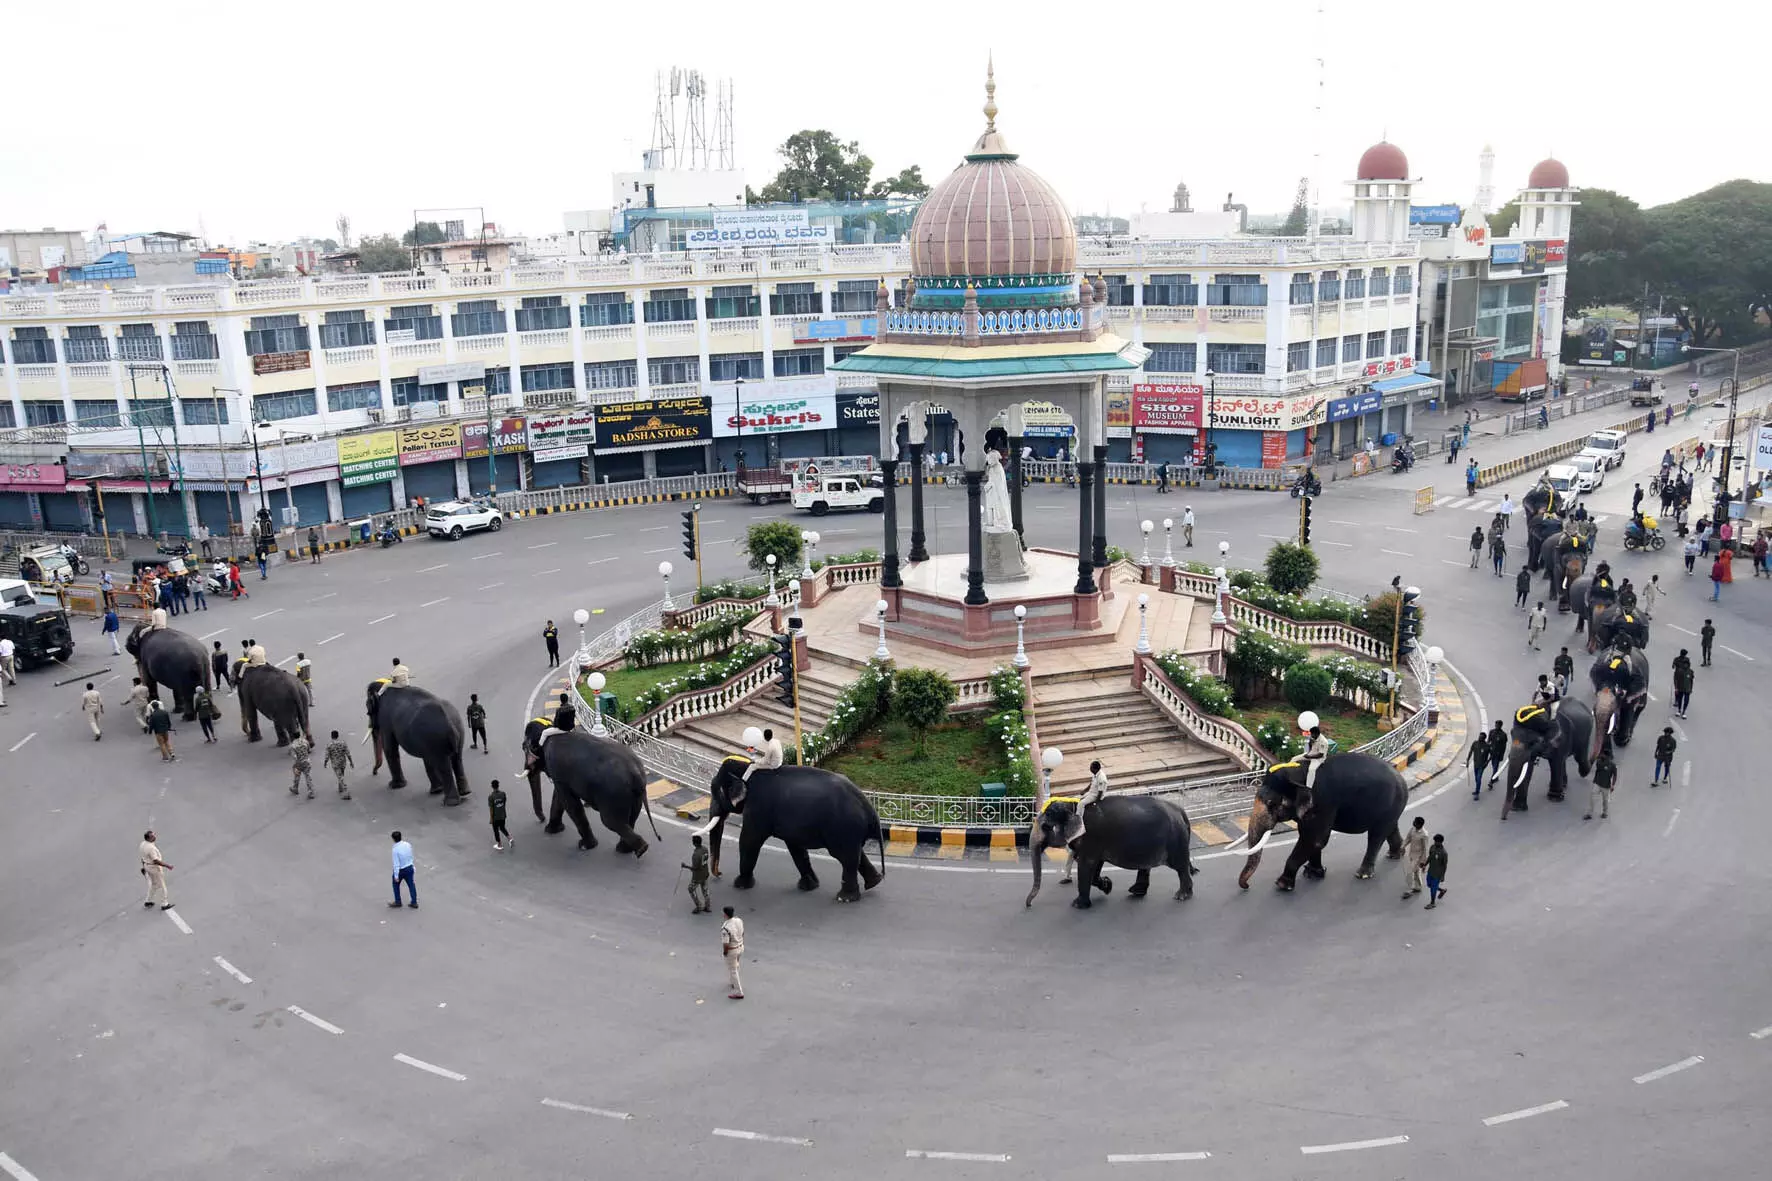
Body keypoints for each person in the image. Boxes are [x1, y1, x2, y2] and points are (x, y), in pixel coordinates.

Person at [1061, 760, 1110, 884]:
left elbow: (1099, 793)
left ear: (1095, 768)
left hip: (1095, 796)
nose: (1089, 769)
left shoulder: (1102, 778)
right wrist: (1084, 791)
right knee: (1078, 800)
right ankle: (1068, 875)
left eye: (1091, 768)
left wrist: (1096, 803)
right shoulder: (1095, 775)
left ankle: (1079, 818)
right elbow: (1090, 784)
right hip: (1091, 794)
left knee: (1082, 804)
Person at [140, 829, 174, 910]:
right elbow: (155, 860)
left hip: (147, 865)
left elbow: (143, 857)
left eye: (154, 835)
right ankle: (164, 904)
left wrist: (144, 866)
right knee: (162, 886)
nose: (154, 837)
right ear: (148, 838)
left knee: (154, 885)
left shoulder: (143, 844)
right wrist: (167, 866)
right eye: (152, 836)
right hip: (154, 868)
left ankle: (148, 901)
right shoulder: (151, 848)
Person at [720, 905, 745, 999]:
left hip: (732, 950)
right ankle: (733, 982)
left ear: (725, 915)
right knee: (736, 964)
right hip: (740, 946)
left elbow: (726, 944)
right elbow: (743, 933)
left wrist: (725, 952)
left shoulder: (725, 928)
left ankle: (739, 992)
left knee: (733, 969)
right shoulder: (739, 920)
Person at [1401, 816, 1428, 898]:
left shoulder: (1424, 835)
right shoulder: (1412, 829)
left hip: (1418, 857)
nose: (1413, 822)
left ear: (1420, 824)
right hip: (1411, 854)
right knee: (1416, 872)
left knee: (1409, 872)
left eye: (1415, 822)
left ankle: (1410, 889)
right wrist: (1402, 846)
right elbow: (1408, 838)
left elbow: (1425, 849)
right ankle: (1418, 887)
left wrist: (1423, 862)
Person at [1586, 749, 1617, 821]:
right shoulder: (1599, 762)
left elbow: (1615, 776)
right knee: (1592, 797)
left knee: (1605, 800)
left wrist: (1613, 785)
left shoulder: (1613, 765)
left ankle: (1605, 813)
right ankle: (1589, 813)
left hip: (1606, 786)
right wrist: (1600, 758)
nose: (1603, 756)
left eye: (1604, 755)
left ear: (1608, 756)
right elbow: (1599, 766)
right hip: (1597, 783)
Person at [684, 835, 712, 914]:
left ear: (695, 843)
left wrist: (685, 866)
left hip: (698, 876)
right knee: (705, 889)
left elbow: (695, 868)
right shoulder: (705, 849)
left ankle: (699, 905)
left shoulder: (696, 855)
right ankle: (707, 906)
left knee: (691, 889)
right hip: (705, 872)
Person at [390, 831, 417, 908]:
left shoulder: (395, 849)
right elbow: (410, 856)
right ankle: (414, 902)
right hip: (409, 867)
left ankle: (398, 901)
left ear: (393, 839)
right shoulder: (407, 844)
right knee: (411, 884)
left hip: (401, 870)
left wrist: (396, 875)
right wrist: (412, 865)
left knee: (395, 885)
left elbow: (396, 864)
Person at [325, 729, 354, 798]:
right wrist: (351, 762)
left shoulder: (329, 745)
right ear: (338, 736)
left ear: (331, 736)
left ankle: (346, 792)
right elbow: (348, 753)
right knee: (341, 774)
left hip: (335, 763)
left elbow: (327, 755)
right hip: (343, 762)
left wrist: (325, 763)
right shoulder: (343, 743)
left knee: (340, 776)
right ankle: (340, 788)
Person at [1465, 729, 1491, 800]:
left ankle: (1477, 792)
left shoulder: (1487, 746)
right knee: (1477, 778)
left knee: (1479, 778)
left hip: (1482, 765)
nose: (1479, 738)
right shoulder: (1475, 743)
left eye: (1481, 737)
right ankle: (1477, 787)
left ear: (1484, 739)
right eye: (1479, 737)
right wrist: (1467, 760)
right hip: (1475, 764)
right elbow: (1471, 751)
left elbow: (1491, 755)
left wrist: (1487, 762)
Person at [1423, 835, 1448, 909]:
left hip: (1437, 874)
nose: (1435, 843)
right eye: (1434, 841)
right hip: (1430, 871)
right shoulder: (1432, 847)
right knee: (1429, 885)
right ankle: (1442, 890)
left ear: (1440, 842)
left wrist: (1443, 876)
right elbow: (1430, 857)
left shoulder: (1444, 853)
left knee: (1433, 888)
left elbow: (1444, 865)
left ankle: (1432, 903)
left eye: (1436, 841)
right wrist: (1425, 864)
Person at [488, 779, 511, 851]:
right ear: (498, 786)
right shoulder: (503, 793)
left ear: (492, 786)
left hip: (495, 817)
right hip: (503, 815)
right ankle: (510, 838)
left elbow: (491, 809)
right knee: (502, 827)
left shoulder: (491, 797)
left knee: (496, 830)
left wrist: (491, 818)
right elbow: (504, 802)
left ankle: (499, 844)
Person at [289, 734, 314, 798]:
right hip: (306, 761)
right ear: (299, 735)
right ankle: (311, 792)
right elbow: (309, 750)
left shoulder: (293, 745)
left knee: (297, 775)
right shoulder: (305, 741)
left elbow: (294, 756)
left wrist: (295, 765)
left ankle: (295, 788)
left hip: (299, 762)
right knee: (308, 776)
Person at [1671, 650, 1695, 718]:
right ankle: (1677, 704)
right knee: (1679, 695)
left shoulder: (1690, 671)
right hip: (1678, 677)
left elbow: (1691, 680)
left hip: (1687, 687)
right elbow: (1673, 666)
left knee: (1686, 699)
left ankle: (1683, 711)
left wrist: (1691, 688)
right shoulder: (1676, 659)